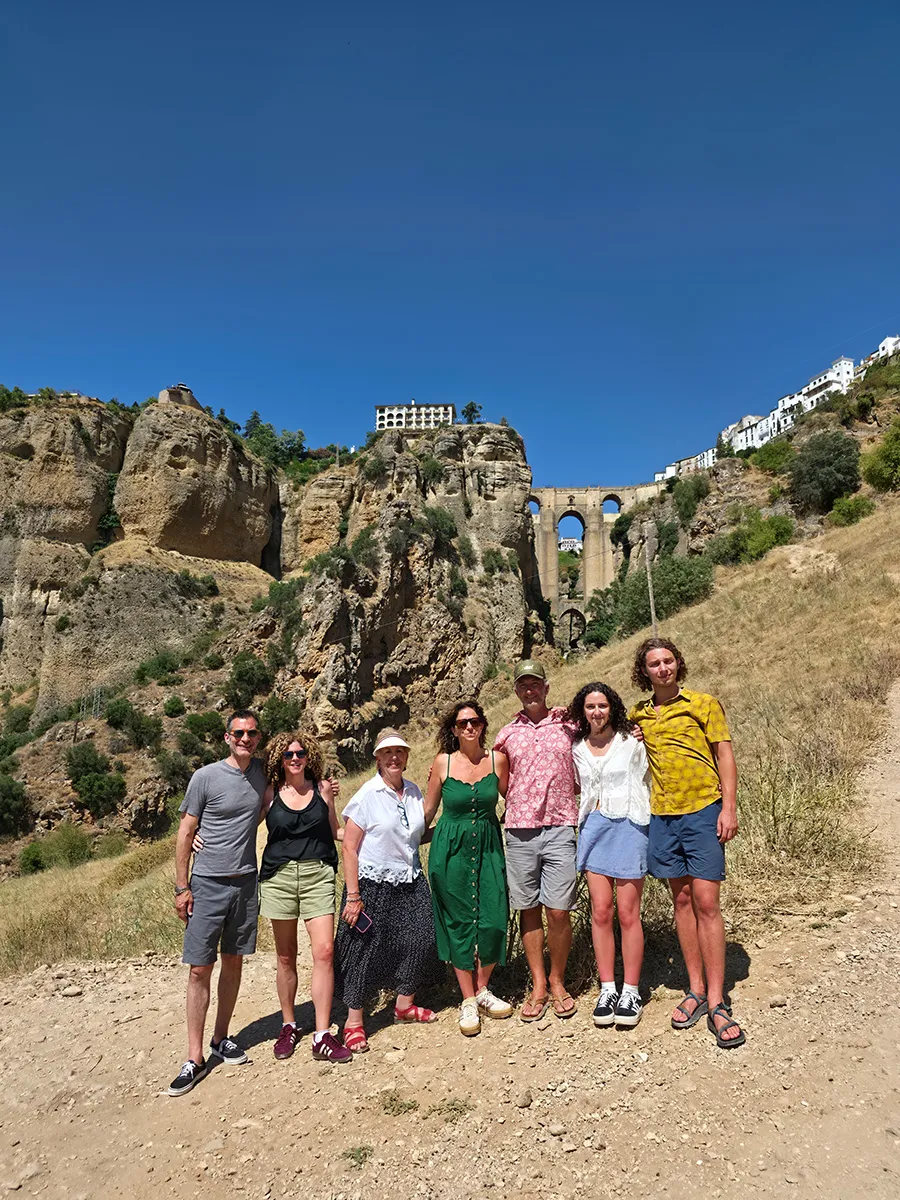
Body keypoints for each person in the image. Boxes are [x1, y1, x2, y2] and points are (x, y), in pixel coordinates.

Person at [629, 637, 745, 1049]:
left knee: (706, 903)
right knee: (681, 902)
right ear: (644, 671)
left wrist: (728, 807)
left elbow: (724, 755)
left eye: (668, 661)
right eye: (654, 663)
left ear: (678, 664)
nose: (663, 668)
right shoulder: (639, 714)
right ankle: (694, 989)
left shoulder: (703, 704)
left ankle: (717, 1001)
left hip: (702, 811)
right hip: (662, 815)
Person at [169, 709, 267, 1097]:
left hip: (245, 882)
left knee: (234, 962)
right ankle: (194, 1058)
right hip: (206, 884)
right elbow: (185, 830)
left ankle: (220, 1038)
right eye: (238, 733)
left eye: (252, 733)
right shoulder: (205, 777)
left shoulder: (262, 773)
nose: (245, 738)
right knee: (199, 969)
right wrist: (182, 887)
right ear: (227, 737)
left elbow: (278, 796)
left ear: (258, 738)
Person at [335, 728, 442, 1053]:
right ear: (378, 759)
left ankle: (403, 1005)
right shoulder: (368, 794)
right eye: (387, 753)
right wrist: (353, 896)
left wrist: (452, 825)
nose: (394, 757)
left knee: (423, 938)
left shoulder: (413, 792)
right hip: (372, 884)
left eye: (399, 752)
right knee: (364, 950)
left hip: (410, 879)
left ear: (406, 757)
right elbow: (349, 847)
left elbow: (417, 835)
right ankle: (354, 1022)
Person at [257, 730, 351, 1064]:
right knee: (286, 956)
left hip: (317, 875)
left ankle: (322, 1034)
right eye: (288, 755)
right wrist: (202, 836)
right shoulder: (270, 793)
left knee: (324, 951)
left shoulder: (323, 789)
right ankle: (289, 1024)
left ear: (309, 756)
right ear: (279, 760)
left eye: (300, 753)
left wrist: (374, 833)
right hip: (279, 878)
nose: (295, 759)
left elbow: (335, 829)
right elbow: (243, 826)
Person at [494, 661, 579, 1022]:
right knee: (528, 909)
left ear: (546, 687)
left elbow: (600, 738)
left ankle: (558, 979)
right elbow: (501, 780)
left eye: (535, 684)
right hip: (520, 830)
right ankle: (539, 985)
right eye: (523, 685)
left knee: (558, 910)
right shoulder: (506, 734)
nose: (529, 690)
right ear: (516, 691)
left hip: (561, 825)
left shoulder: (569, 723)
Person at [424, 701, 512, 1037]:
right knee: (458, 922)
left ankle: (483, 989)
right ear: (454, 730)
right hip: (450, 852)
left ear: (483, 724)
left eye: (474, 721)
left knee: (493, 917)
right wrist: (395, 839)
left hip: (488, 847)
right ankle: (468, 1000)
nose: (469, 727)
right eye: (462, 724)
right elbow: (428, 812)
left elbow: (515, 799)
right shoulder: (442, 763)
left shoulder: (497, 760)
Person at [570, 682, 651, 1029]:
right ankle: (608, 989)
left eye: (602, 705)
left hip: (630, 825)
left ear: (612, 707)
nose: (596, 712)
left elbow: (652, 773)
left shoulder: (632, 741)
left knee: (628, 912)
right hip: (594, 828)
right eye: (590, 707)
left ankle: (631, 990)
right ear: (582, 711)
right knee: (601, 911)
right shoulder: (576, 747)